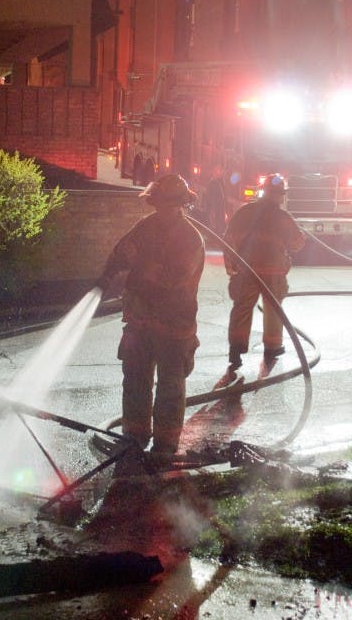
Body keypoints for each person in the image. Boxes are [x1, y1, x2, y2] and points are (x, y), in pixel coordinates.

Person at [96, 174, 205, 455]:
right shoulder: (144, 227)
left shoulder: (190, 238)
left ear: (181, 204)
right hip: (140, 321)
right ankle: (134, 436)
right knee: (135, 380)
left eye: (169, 204)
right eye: (160, 203)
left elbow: (173, 279)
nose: (163, 209)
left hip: (173, 324)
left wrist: (139, 268)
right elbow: (121, 252)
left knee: (170, 385)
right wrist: (106, 277)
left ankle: (166, 445)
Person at [214, 173, 306, 388]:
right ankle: (272, 349)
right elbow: (296, 244)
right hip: (273, 272)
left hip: (246, 272)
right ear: (280, 195)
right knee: (273, 310)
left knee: (241, 310)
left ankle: (236, 351)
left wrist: (232, 268)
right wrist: (302, 235)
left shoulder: (244, 212)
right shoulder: (283, 218)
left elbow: (228, 241)